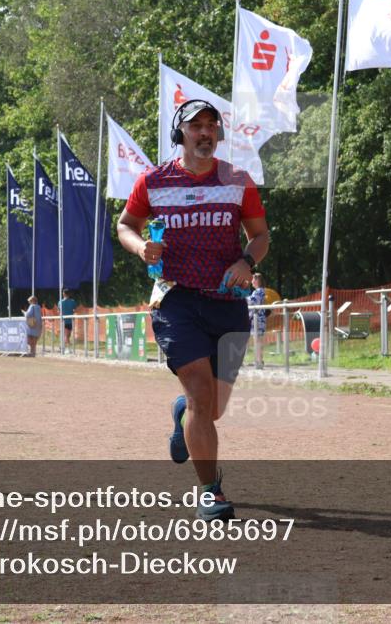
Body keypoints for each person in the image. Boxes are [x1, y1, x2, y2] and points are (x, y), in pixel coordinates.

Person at [117, 98, 270, 522]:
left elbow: (260, 236)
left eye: (211, 126)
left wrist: (246, 262)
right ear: (180, 133)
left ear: (218, 133)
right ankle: (210, 492)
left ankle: (182, 415)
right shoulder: (153, 181)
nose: (204, 132)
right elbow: (125, 224)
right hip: (175, 299)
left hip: (227, 302)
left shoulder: (238, 181)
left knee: (212, 408)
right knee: (202, 397)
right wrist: (140, 247)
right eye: (195, 126)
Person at [248, 272, 267, 369]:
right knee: (258, 341)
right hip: (259, 319)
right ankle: (259, 361)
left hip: (257, 319)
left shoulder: (258, 291)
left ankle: (259, 362)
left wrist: (242, 299)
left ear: (257, 280)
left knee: (257, 341)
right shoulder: (261, 291)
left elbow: (252, 302)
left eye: (253, 279)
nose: (251, 281)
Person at [59, 289, 77, 354]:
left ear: (63, 294)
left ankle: (64, 347)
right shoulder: (73, 301)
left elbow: (60, 310)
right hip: (70, 320)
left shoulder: (60, 302)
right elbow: (75, 309)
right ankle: (66, 347)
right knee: (67, 335)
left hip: (64, 321)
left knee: (67, 336)